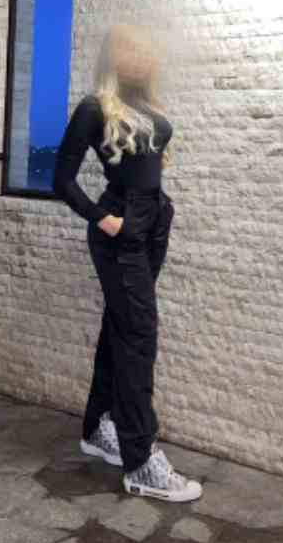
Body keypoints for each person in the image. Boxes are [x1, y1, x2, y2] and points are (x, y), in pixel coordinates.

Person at [52, 24, 203, 503]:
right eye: (129, 48)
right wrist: (104, 219)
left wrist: (152, 215)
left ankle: (99, 427)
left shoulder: (144, 107)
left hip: (152, 221)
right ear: (112, 56)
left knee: (122, 327)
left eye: (144, 47)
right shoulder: (94, 107)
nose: (140, 55)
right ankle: (141, 462)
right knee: (140, 336)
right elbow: (61, 179)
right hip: (122, 230)